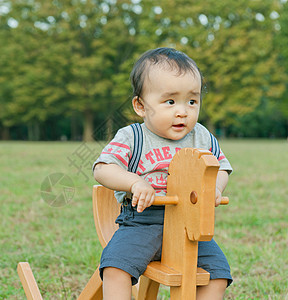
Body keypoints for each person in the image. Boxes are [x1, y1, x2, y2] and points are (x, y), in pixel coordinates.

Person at [92, 47, 233, 300]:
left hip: (189, 227)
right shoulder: (133, 137)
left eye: (192, 101)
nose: (183, 111)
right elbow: (103, 168)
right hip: (141, 222)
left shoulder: (201, 136)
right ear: (141, 106)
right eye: (170, 101)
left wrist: (216, 187)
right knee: (115, 267)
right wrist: (134, 182)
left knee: (218, 274)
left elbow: (221, 167)